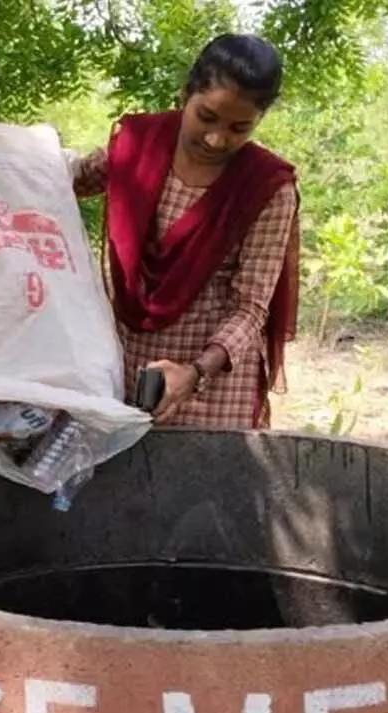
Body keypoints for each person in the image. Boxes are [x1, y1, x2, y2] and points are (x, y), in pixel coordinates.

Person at [74, 33, 300, 429]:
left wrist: (194, 373)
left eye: (238, 128)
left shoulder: (267, 187)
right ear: (185, 94)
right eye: (207, 117)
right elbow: (65, 181)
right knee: (123, 484)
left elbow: (249, 307)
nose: (216, 139)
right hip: (124, 362)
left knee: (205, 484)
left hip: (211, 383)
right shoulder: (136, 146)